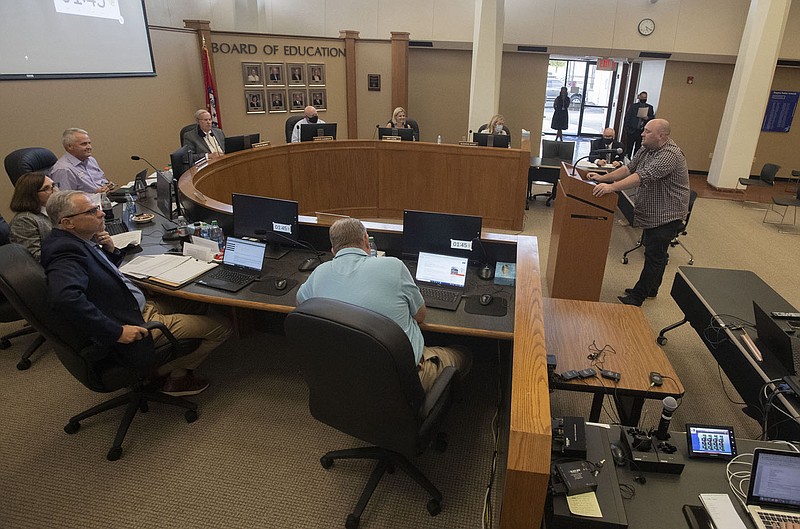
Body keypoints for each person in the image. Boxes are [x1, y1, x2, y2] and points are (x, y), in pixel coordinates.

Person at [41, 190, 232, 396]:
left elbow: (96, 278)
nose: (101, 213)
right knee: (222, 328)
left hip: (134, 305)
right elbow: (65, 298)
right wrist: (116, 332)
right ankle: (170, 375)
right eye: (91, 211)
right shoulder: (65, 253)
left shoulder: (78, 241)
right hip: (133, 321)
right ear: (68, 223)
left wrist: (110, 251)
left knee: (199, 301)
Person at [296, 218, 471, 393]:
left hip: (343, 374)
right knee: (463, 354)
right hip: (402, 379)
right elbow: (420, 316)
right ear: (366, 240)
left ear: (333, 250)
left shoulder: (318, 274)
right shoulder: (393, 266)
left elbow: (302, 306)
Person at [587, 119, 690, 307]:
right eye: (643, 130)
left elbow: (642, 176)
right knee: (657, 253)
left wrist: (612, 188)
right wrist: (604, 178)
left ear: (662, 136)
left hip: (668, 214)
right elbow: (628, 169)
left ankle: (638, 296)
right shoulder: (647, 148)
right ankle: (652, 288)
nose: (642, 134)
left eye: (647, 131)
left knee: (654, 255)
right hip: (653, 212)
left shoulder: (670, 154)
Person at [50, 128, 114, 193]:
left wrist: (108, 185)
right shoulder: (63, 169)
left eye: (89, 143)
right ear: (69, 146)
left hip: (106, 198)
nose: (89, 147)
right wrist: (95, 195)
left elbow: (102, 180)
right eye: (84, 144)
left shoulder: (91, 160)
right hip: (89, 202)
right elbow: (64, 200)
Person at [8, 172, 56, 261]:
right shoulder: (24, 220)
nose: (54, 191)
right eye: (46, 189)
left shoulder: (53, 210)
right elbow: (34, 257)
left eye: (53, 186)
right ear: (32, 193)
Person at [623, 91, 655, 157]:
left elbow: (652, 118)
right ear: (639, 97)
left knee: (638, 149)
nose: (644, 98)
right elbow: (627, 118)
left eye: (645, 97)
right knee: (629, 148)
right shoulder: (633, 106)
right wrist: (627, 129)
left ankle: (635, 162)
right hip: (632, 130)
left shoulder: (650, 107)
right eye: (642, 97)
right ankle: (627, 160)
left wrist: (647, 118)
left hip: (642, 131)